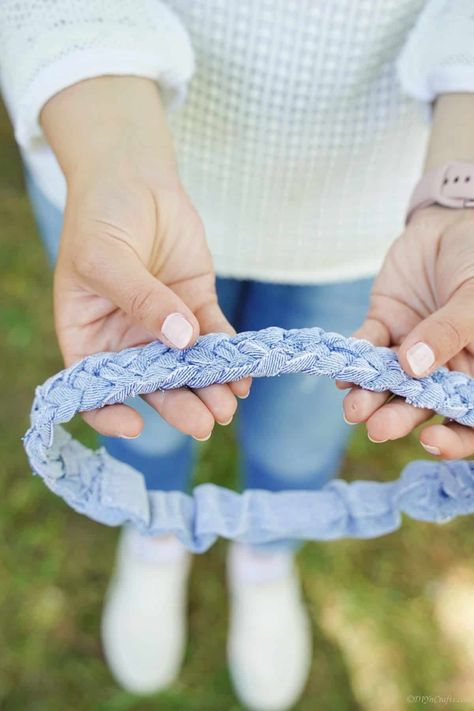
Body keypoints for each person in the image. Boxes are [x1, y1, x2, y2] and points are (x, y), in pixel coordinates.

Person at [1, 1, 474, 709]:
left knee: (304, 433)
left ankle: (264, 552)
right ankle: (157, 531)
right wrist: (111, 157)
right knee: (146, 415)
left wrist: (458, 197)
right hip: (116, 175)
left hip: (367, 220)